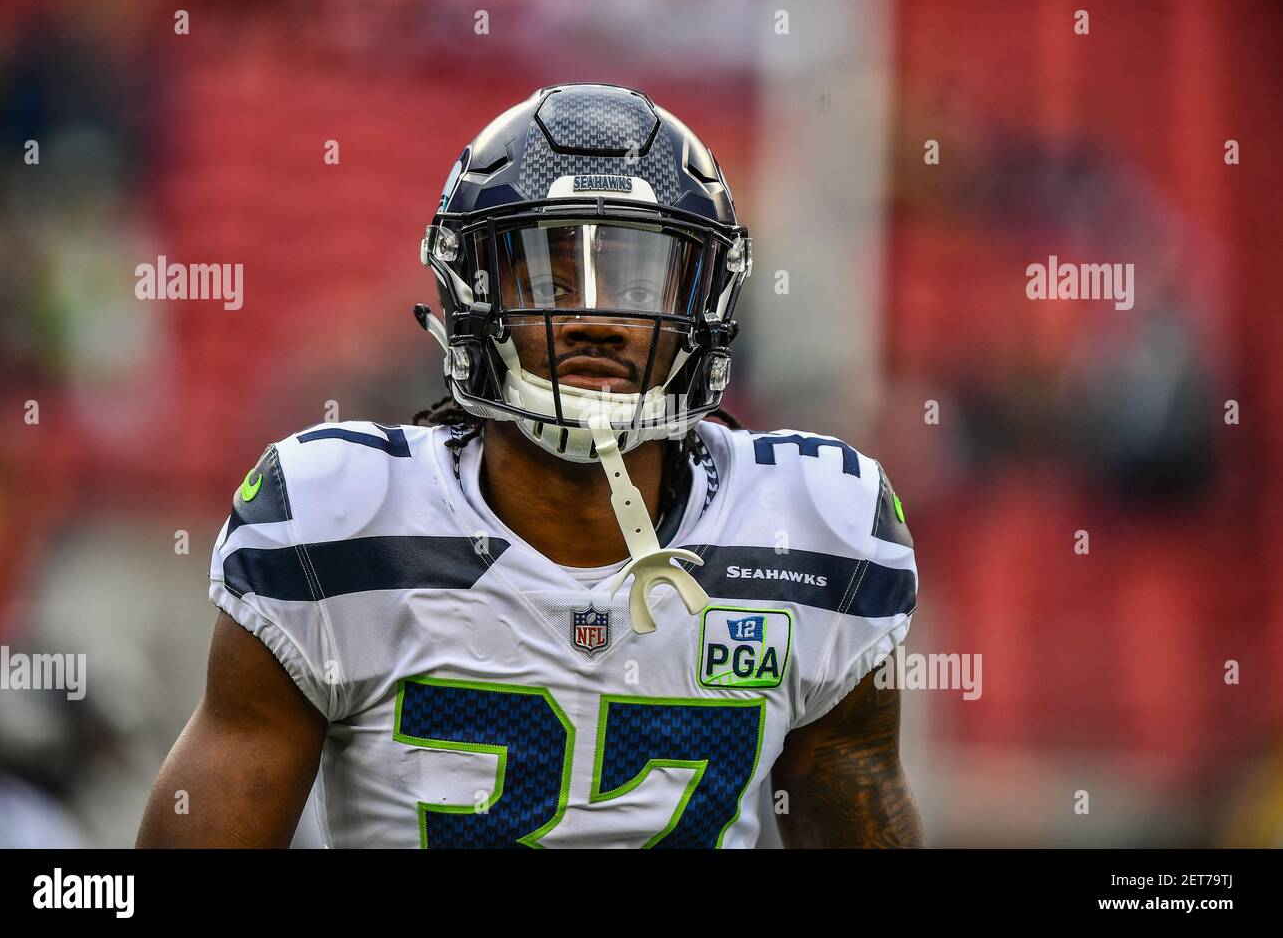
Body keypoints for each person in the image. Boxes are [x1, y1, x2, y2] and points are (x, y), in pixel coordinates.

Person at [137, 84, 922, 848]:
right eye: (547, 274)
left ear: (703, 302)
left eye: (636, 277)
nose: (594, 317)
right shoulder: (338, 525)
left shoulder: (813, 533)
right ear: (471, 293)